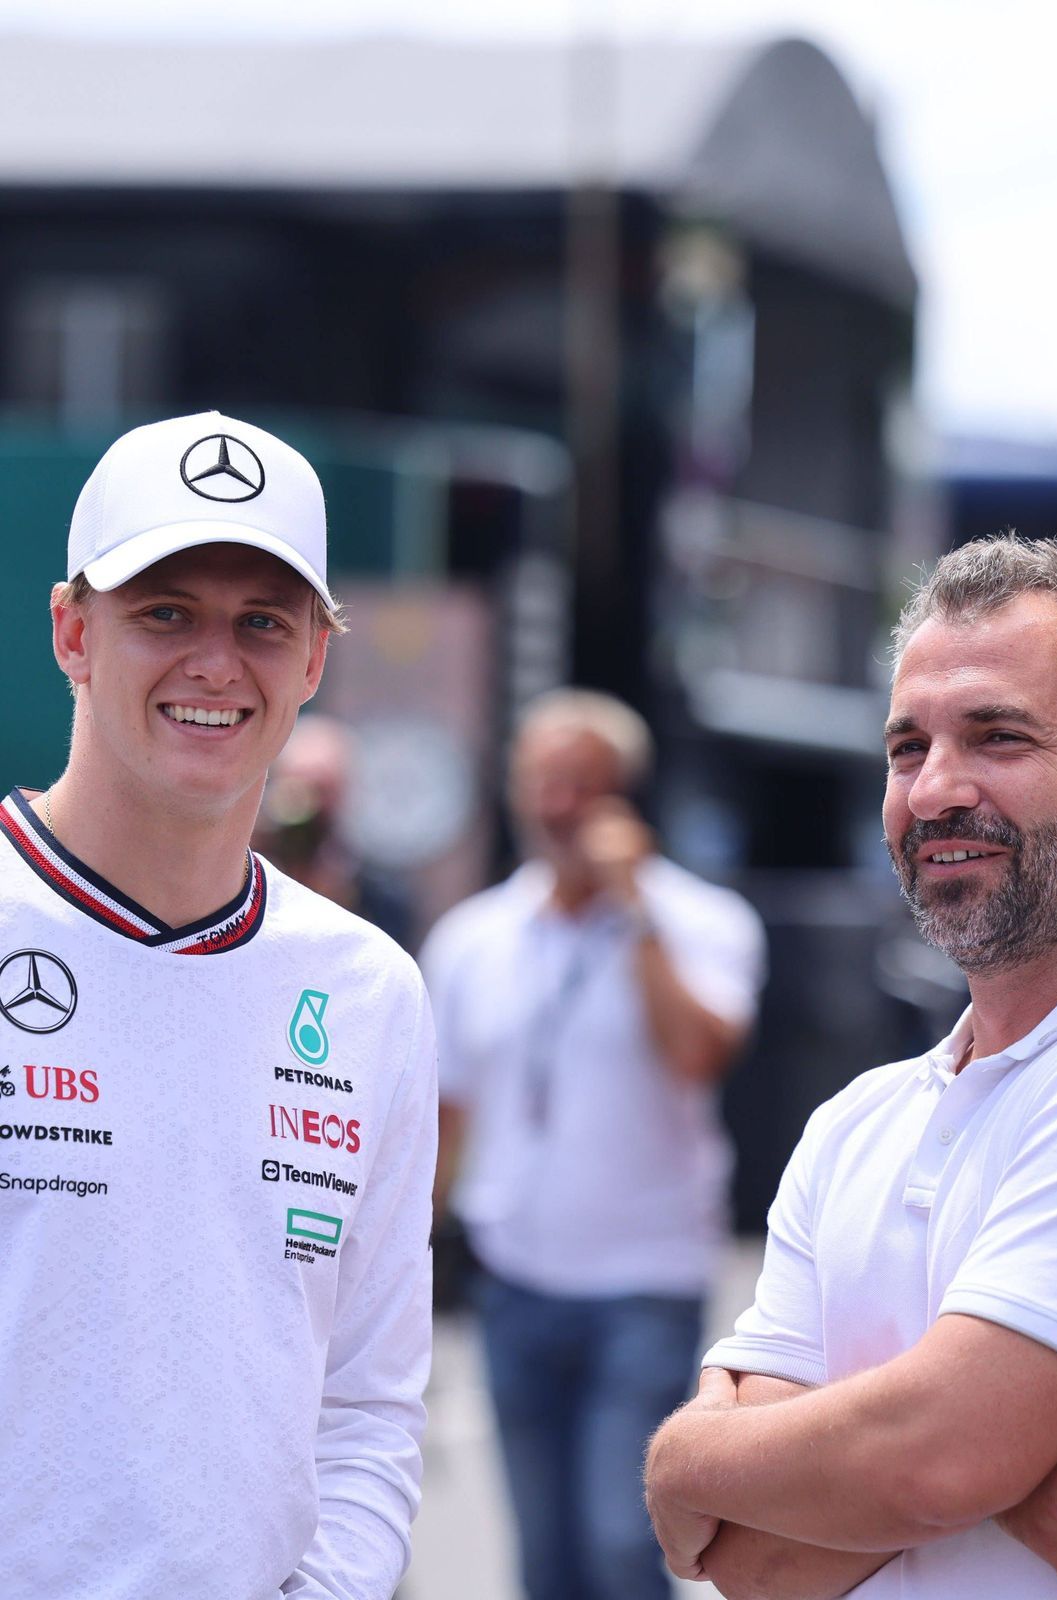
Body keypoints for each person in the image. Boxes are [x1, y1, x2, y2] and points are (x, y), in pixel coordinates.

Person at [645, 535, 1057, 1600]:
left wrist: (686, 1454)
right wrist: (996, 1466)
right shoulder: (856, 1120)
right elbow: (747, 1559)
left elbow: (937, 1459)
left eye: (997, 736)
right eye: (907, 748)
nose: (937, 788)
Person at [0, 412, 437, 1599]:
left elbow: (367, 1400)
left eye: (261, 621)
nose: (214, 662)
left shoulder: (369, 991)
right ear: (71, 631)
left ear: (312, 660)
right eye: (164, 612)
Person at [420, 689, 766, 1600]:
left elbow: (698, 1054)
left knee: (622, 1542)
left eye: (583, 784)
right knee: (546, 1558)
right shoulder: (472, 938)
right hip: (516, 1283)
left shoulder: (700, 922)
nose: (559, 805)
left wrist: (633, 909)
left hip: (643, 1285)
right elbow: (447, 1114)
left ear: (626, 797)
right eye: (542, 782)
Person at [255, 711, 413, 948]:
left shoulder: (379, 894)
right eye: (297, 786)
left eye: (322, 789)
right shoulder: (242, 875)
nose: (309, 804)